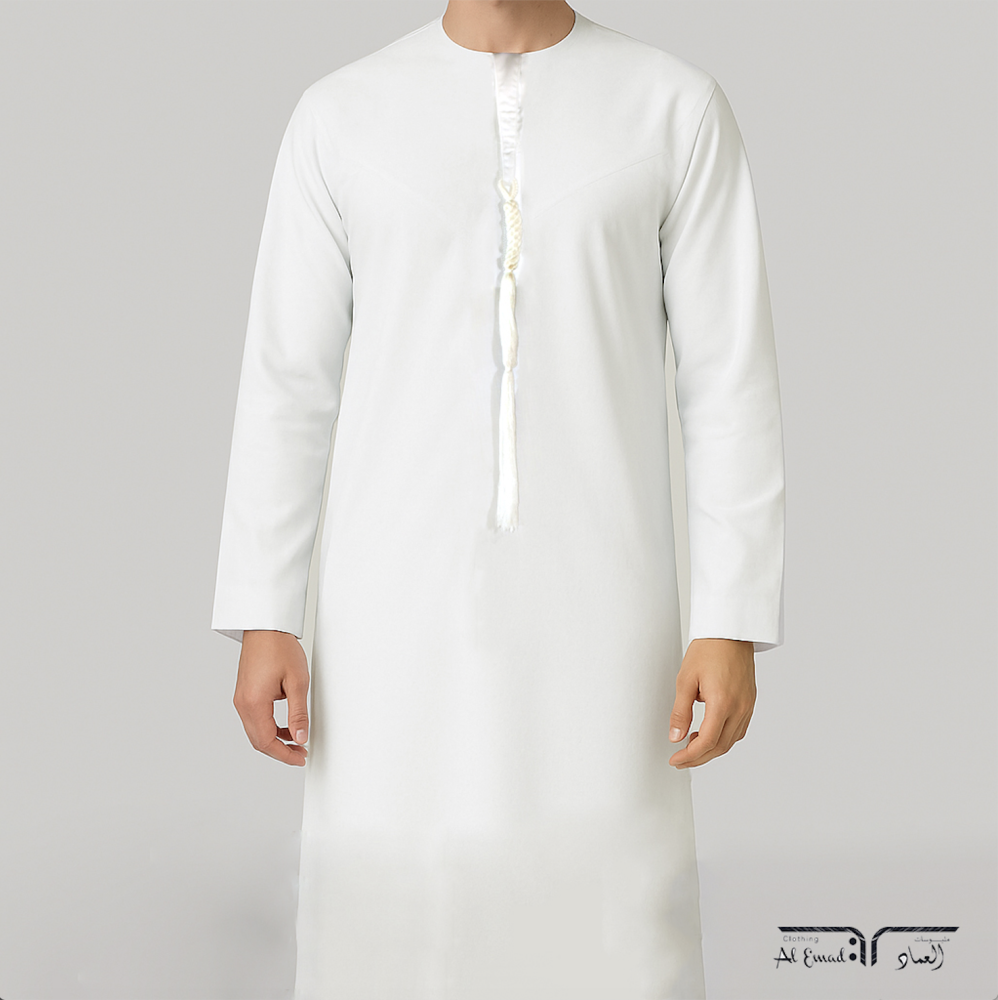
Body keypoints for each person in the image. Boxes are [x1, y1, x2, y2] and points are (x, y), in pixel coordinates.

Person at [211, 1, 785, 996]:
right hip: (389, 625)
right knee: (389, 939)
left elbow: (728, 381)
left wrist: (729, 620)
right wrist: (266, 613)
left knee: (609, 936)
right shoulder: (340, 116)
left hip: (605, 621)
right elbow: (286, 383)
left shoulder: (673, 108)